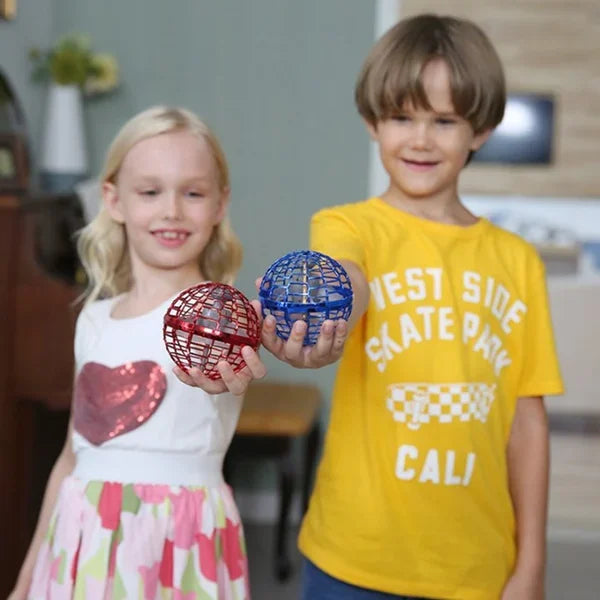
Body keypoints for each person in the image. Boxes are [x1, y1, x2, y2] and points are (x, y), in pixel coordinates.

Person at [260, 14, 564, 600]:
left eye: (444, 121)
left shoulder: (518, 261)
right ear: (372, 121)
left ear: (480, 130)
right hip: (352, 556)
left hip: (475, 565)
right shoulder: (349, 227)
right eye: (402, 117)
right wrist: (330, 305)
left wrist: (532, 564)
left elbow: (528, 423)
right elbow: (346, 276)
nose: (420, 139)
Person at [9, 106, 266, 600]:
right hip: (82, 539)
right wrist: (27, 576)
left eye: (192, 193)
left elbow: (243, 357)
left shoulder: (220, 319)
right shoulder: (94, 320)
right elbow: (70, 459)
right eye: (150, 192)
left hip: (181, 542)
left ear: (219, 205)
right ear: (114, 199)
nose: (171, 210)